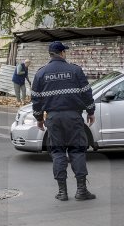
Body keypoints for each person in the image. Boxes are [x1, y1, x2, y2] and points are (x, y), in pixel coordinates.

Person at [31, 41, 96, 201]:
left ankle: (62, 192)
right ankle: (81, 191)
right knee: (77, 151)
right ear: (62, 53)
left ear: (50, 54)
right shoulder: (75, 70)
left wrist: (39, 118)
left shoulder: (41, 74)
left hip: (53, 118)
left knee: (58, 153)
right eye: (65, 52)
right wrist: (91, 112)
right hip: (73, 117)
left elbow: (36, 100)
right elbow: (87, 94)